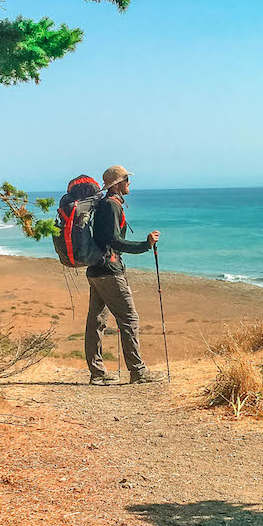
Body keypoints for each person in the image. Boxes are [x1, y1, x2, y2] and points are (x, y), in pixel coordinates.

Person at [85, 165, 164, 385]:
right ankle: (137, 372)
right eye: (127, 180)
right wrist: (145, 245)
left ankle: (97, 373)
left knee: (97, 321)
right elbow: (114, 241)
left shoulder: (105, 204)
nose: (130, 183)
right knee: (129, 319)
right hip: (109, 271)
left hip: (95, 269)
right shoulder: (111, 206)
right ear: (117, 184)